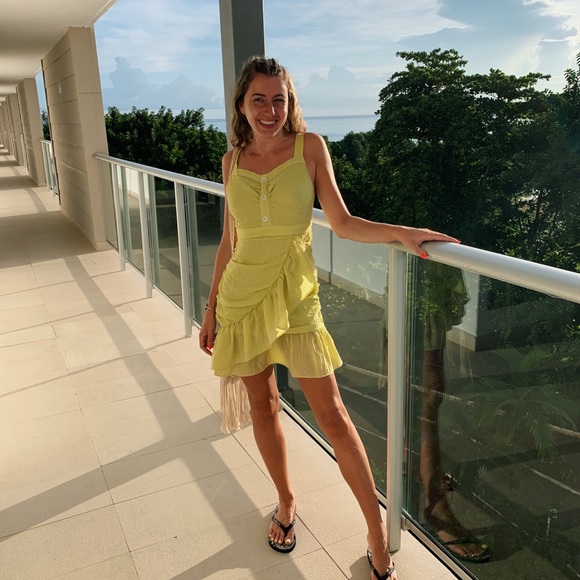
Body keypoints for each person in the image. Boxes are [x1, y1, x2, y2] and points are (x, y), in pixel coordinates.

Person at [199, 55, 460, 580]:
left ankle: (375, 533)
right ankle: (286, 501)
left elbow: (341, 222)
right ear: (241, 105)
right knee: (264, 406)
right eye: (258, 99)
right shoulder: (231, 162)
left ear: (289, 102)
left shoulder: (310, 148)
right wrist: (210, 310)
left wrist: (401, 233)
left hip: (297, 299)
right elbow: (231, 239)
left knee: (335, 418)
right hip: (242, 300)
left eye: (279, 99)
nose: (270, 110)